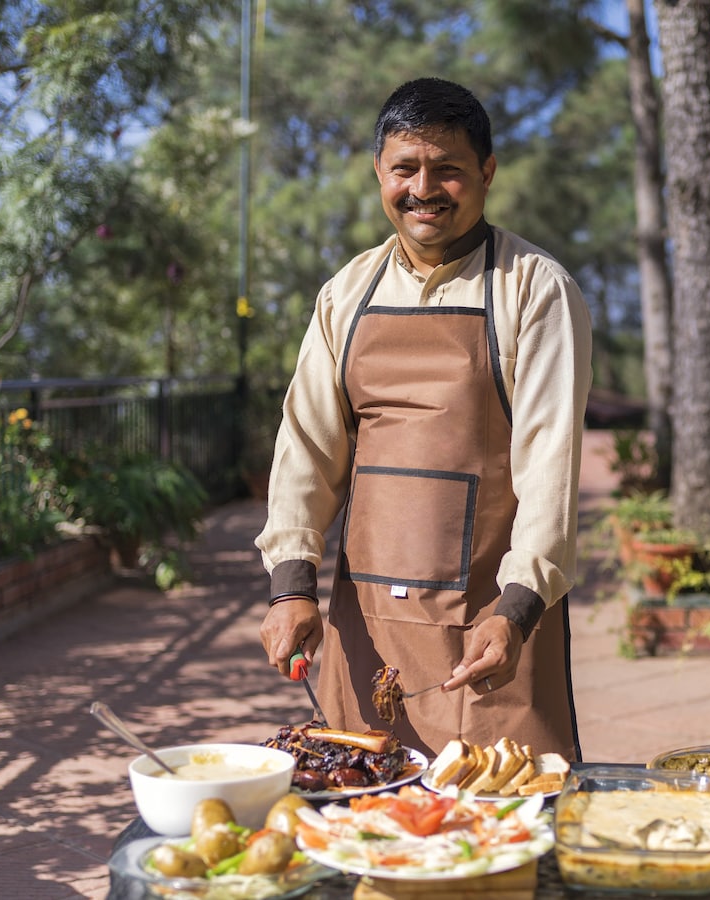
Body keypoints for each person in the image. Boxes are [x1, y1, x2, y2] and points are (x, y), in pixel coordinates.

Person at [255, 77, 592, 762]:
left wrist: (518, 609)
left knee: (504, 833)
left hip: (492, 626)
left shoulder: (534, 288)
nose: (424, 188)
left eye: (449, 170)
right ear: (379, 171)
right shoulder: (344, 293)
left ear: (487, 173)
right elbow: (306, 448)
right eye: (405, 168)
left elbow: (550, 464)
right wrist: (291, 587)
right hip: (366, 630)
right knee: (362, 818)